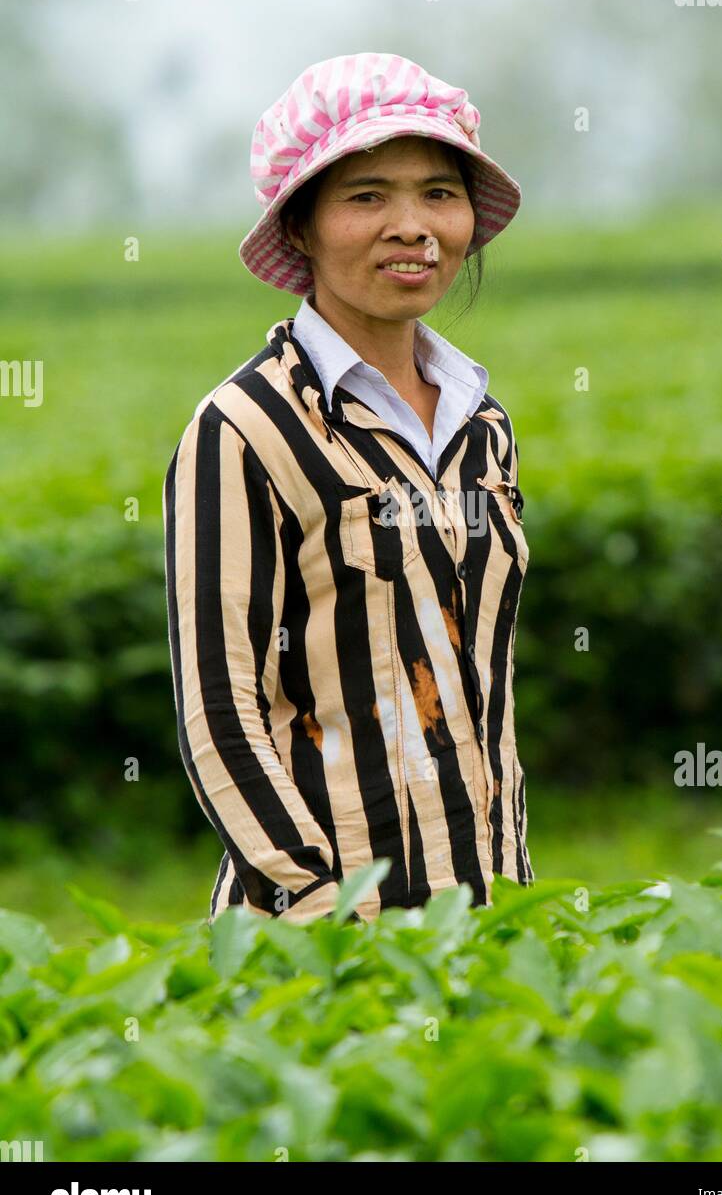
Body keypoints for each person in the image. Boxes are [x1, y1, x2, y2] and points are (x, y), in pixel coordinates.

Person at [162, 52, 532, 925]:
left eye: (439, 194)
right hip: (318, 943)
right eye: (368, 196)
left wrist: (511, 903)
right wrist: (321, 915)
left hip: (484, 921)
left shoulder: (483, 427)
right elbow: (220, 712)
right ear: (301, 227)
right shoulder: (245, 427)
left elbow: (486, 693)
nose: (413, 226)